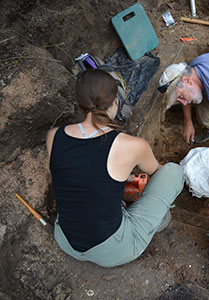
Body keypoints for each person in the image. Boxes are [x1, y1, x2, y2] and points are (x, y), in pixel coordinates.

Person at [46, 69, 184, 267]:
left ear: (80, 103)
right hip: (112, 250)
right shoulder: (131, 145)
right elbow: (158, 173)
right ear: (116, 101)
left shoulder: (54, 136)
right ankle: (152, 220)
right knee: (173, 172)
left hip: (66, 240)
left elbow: (80, 172)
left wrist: (117, 176)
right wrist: (127, 170)